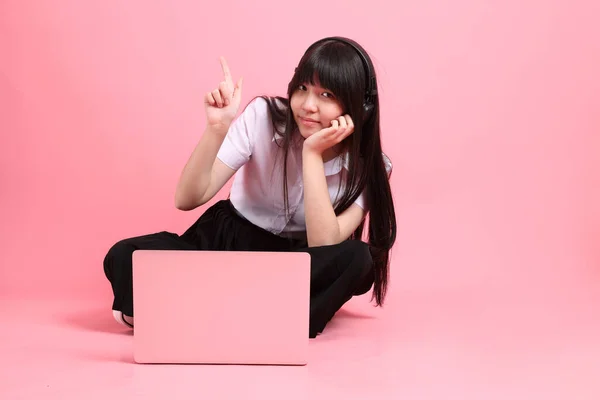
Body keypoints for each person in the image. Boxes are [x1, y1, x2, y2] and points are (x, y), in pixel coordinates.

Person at [103, 36, 397, 338]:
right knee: (126, 255)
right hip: (228, 243)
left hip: (294, 266)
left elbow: (324, 246)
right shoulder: (263, 117)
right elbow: (187, 199)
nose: (308, 105)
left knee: (358, 259)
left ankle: (213, 313)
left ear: (360, 107)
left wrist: (312, 154)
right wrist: (216, 129)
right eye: (302, 88)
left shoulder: (371, 168)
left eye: (327, 94)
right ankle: (252, 316)